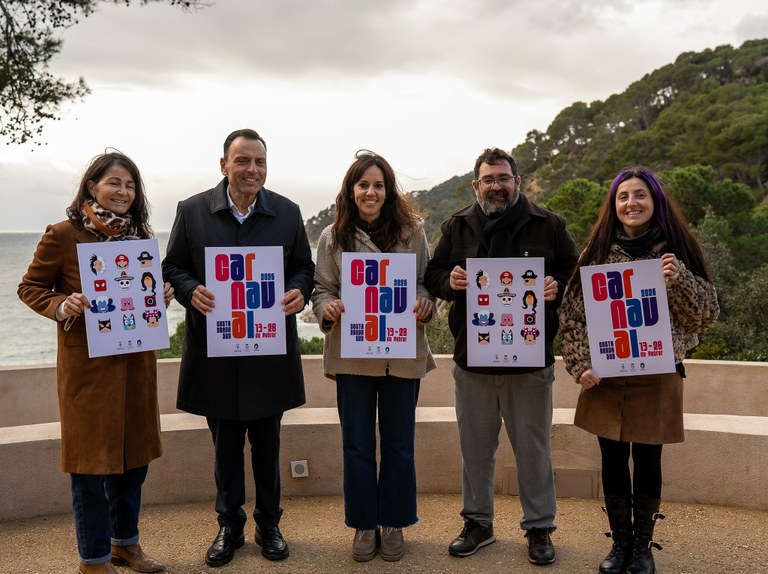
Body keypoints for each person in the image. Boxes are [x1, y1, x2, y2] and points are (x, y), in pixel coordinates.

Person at [161, 129, 314, 566]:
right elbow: (172, 265)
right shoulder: (191, 211)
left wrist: (298, 291)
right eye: (243, 161)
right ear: (223, 164)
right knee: (225, 448)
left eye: (260, 162)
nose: (252, 170)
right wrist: (191, 290)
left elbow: (303, 267)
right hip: (217, 353)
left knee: (268, 447)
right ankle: (229, 527)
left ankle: (270, 525)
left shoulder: (287, 212)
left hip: (268, 352)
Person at [18, 152, 173, 574]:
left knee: (134, 462)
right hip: (88, 371)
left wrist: (159, 297)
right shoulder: (63, 234)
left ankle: (126, 545)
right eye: (114, 183)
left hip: (136, 365)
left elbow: (141, 294)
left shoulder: (139, 238)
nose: (123, 192)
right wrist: (61, 304)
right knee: (90, 469)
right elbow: (30, 286)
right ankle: (93, 559)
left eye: (130, 185)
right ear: (92, 187)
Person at [559, 167, 719, 574]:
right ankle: (620, 544)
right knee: (612, 461)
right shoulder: (595, 253)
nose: (632, 203)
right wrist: (580, 365)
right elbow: (573, 316)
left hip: (658, 374)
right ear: (614, 206)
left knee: (648, 462)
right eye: (623, 197)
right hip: (606, 377)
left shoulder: (676, 251)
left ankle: (643, 548)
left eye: (640, 195)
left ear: (655, 201)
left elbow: (705, 316)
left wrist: (678, 280)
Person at [424, 147, 578, 565]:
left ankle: (540, 527)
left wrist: (556, 286)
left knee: (534, 446)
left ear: (518, 181)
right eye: (488, 179)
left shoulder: (549, 225)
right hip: (472, 359)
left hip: (529, 359)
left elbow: (575, 274)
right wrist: (449, 281)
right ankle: (478, 523)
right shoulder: (456, 226)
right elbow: (432, 274)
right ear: (476, 185)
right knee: (475, 446)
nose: (496, 185)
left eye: (503, 178)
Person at [311, 151, 436, 562]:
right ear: (351, 190)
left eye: (378, 185)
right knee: (358, 445)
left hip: (401, 355)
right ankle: (365, 523)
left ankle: (394, 521)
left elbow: (423, 285)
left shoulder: (412, 233)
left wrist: (423, 303)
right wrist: (326, 308)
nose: (371, 192)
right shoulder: (333, 237)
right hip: (353, 358)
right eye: (363, 184)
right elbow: (322, 289)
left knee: (400, 445)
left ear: (389, 190)